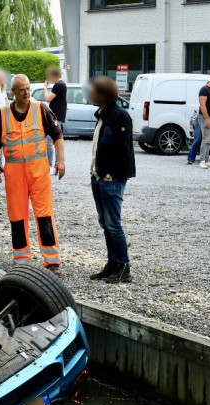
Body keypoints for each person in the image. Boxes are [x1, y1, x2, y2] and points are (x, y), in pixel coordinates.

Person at [0, 74, 66, 277]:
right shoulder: (3, 114)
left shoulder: (41, 109)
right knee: (17, 216)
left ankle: (52, 262)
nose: (26, 92)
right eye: (22, 89)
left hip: (38, 171)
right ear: (13, 91)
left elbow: (57, 135)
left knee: (44, 214)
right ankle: (22, 260)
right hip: (14, 173)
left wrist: (60, 160)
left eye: (28, 88)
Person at [87, 75, 136, 284]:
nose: (91, 94)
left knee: (113, 223)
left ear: (104, 94)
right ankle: (112, 263)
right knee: (105, 222)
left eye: (94, 91)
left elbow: (123, 150)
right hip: (98, 176)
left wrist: (109, 175)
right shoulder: (103, 114)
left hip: (110, 179)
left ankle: (123, 266)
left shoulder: (119, 116)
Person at [186, 74, 210, 169]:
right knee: (205, 139)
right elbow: (202, 105)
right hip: (204, 117)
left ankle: (207, 160)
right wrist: (207, 118)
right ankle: (202, 160)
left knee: (209, 140)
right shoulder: (204, 90)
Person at [43, 66, 67, 172]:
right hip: (59, 116)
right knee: (57, 139)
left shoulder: (58, 85)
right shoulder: (63, 85)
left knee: (49, 140)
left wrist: (45, 87)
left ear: (54, 75)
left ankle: (50, 165)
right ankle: (57, 163)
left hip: (55, 117)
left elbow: (47, 98)